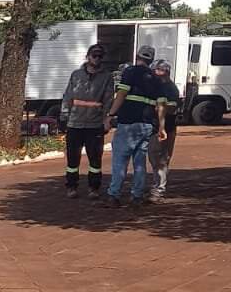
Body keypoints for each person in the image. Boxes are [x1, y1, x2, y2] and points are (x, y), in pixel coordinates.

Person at [102, 44, 170, 206]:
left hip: (127, 123)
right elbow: (161, 106)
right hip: (146, 125)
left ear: (137, 57)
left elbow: (121, 94)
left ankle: (114, 195)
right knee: (139, 162)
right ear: (151, 60)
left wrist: (110, 115)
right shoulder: (155, 79)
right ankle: (137, 196)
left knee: (120, 160)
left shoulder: (130, 72)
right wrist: (161, 127)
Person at [58, 43, 115, 198]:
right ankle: (71, 187)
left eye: (99, 56)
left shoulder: (107, 77)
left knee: (95, 160)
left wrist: (107, 119)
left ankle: (94, 188)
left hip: (95, 124)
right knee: (72, 159)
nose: (96, 59)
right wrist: (64, 116)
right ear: (88, 56)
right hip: (75, 123)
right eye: (94, 55)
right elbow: (68, 96)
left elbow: (109, 99)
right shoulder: (76, 75)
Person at [147, 58, 182, 202]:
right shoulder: (159, 86)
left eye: (155, 70)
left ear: (163, 72)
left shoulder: (170, 88)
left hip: (165, 130)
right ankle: (156, 188)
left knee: (160, 160)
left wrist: (159, 107)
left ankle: (158, 190)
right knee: (155, 159)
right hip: (156, 128)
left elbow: (172, 108)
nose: (153, 73)